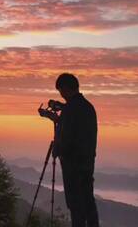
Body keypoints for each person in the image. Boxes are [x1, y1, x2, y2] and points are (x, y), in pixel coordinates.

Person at [52, 73, 100, 227]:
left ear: (65, 88)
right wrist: (58, 118)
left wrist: (58, 149)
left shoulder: (70, 109)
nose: (61, 94)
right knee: (88, 202)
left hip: (73, 165)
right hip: (87, 163)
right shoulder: (88, 107)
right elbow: (80, 131)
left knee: (75, 205)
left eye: (60, 90)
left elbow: (68, 136)